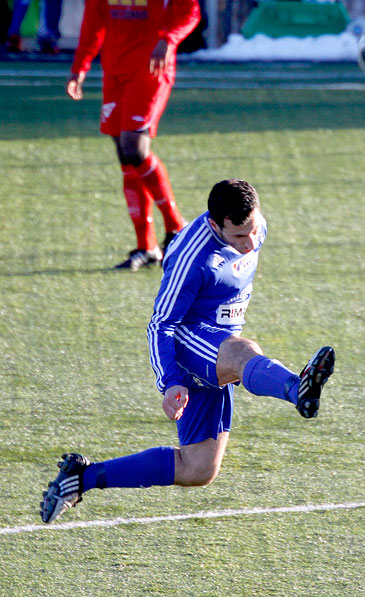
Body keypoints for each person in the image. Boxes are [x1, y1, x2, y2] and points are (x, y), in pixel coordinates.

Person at [40, 179, 336, 524]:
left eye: (254, 230)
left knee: (198, 469)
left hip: (217, 345)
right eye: (240, 236)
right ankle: (295, 389)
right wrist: (170, 382)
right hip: (189, 341)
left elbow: (248, 241)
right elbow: (160, 325)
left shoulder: (253, 227)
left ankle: (81, 478)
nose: (251, 242)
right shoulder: (191, 258)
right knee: (243, 352)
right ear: (215, 225)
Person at [67, 0, 201, 270]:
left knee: (135, 148)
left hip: (151, 70)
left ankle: (176, 225)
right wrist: (80, 66)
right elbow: (94, 21)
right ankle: (147, 247)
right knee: (125, 155)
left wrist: (168, 39)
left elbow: (190, 12)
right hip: (115, 71)